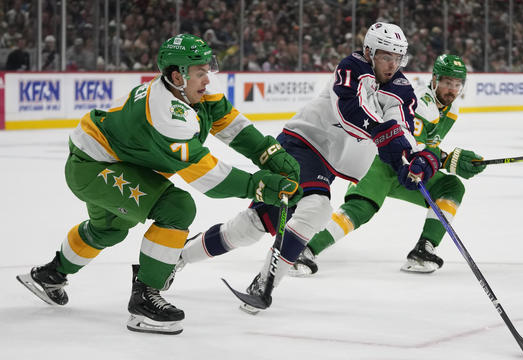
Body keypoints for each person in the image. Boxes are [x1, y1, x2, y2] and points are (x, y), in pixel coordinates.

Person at [16, 34, 301, 335]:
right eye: (200, 72)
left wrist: (269, 153)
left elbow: (230, 123)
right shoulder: (167, 114)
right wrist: (260, 186)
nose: (207, 79)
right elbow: (206, 176)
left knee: (108, 229)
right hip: (93, 166)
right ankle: (144, 298)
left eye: (207, 70)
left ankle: (49, 275)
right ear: (177, 75)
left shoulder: (191, 90)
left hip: (112, 162)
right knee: (177, 207)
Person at [177, 22, 440, 312]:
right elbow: (350, 111)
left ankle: (178, 257)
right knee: (316, 208)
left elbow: (400, 125)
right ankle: (264, 285)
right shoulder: (352, 67)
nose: (392, 64)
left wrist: (412, 158)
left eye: (397, 57)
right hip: (300, 145)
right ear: (369, 51)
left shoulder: (400, 88)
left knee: (251, 226)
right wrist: (386, 136)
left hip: (326, 163)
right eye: (385, 56)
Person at [289, 54, 486, 276]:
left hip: (406, 172)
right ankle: (301, 252)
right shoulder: (422, 104)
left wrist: (446, 159)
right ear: (435, 79)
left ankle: (423, 250)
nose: (452, 89)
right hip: (380, 162)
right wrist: (449, 160)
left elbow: (428, 148)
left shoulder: (452, 110)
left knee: (451, 187)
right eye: (447, 83)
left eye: (457, 84)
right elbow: (411, 148)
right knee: (360, 209)